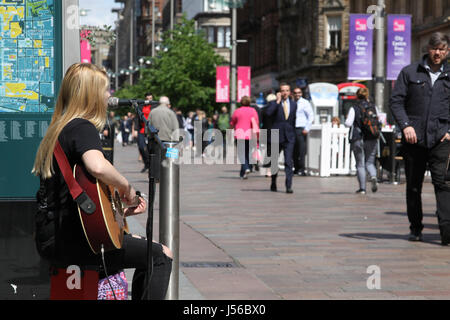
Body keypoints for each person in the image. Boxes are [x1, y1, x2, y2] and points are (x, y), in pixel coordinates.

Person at [32, 63, 172, 300]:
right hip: (74, 242)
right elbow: (97, 166)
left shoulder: (60, 128)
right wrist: (127, 187)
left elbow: (74, 198)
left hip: (57, 237)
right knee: (159, 255)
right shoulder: (82, 127)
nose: (110, 96)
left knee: (141, 246)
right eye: (106, 90)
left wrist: (119, 214)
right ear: (91, 94)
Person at [390, 32, 450, 244]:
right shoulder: (409, 72)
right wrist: (406, 126)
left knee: (443, 185)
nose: (438, 53)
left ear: (447, 51)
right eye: (435, 48)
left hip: (442, 140)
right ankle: (415, 228)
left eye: (442, 49)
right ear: (428, 49)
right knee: (414, 186)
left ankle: (446, 231)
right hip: (414, 140)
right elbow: (396, 101)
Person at [345, 87, 379, 195]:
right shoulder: (373, 107)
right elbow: (379, 120)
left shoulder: (354, 108)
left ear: (357, 96)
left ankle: (362, 189)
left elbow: (348, 123)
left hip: (358, 138)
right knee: (369, 162)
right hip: (372, 137)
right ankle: (373, 176)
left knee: (360, 164)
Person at [265, 83, 297, 194]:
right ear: (279, 92)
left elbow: (294, 120)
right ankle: (273, 182)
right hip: (276, 135)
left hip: (289, 136)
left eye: (287, 90)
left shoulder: (293, 104)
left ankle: (289, 185)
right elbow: (268, 113)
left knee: (288, 161)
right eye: (283, 90)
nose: (285, 93)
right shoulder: (274, 104)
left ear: (289, 92)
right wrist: (277, 101)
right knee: (274, 161)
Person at [230, 96, 260, 180]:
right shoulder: (253, 111)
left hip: (239, 135)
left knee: (241, 154)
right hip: (250, 135)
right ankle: (243, 172)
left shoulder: (237, 111)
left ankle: (246, 168)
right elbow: (256, 122)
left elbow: (232, 122)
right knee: (248, 153)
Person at [293, 87, 314, 176]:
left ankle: (302, 168)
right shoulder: (291, 102)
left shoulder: (305, 103)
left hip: (301, 128)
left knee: (301, 150)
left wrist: (307, 128)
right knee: (293, 150)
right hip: (292, 128)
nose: (297, 94)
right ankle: (296, 168)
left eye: (299, 92)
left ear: (301, 93)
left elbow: (311, 116)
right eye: (295, 93)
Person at [135, 93, 153, 173]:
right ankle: (146, 163)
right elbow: (136, 118)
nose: (149, 99)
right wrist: (134, 129)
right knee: (141, 146)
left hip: (150, 130)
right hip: (141, 129)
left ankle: (151, 165)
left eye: (150, 97)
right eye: (147, 97)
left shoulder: (154, 106)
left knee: (150, 148)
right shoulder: (141, 106)